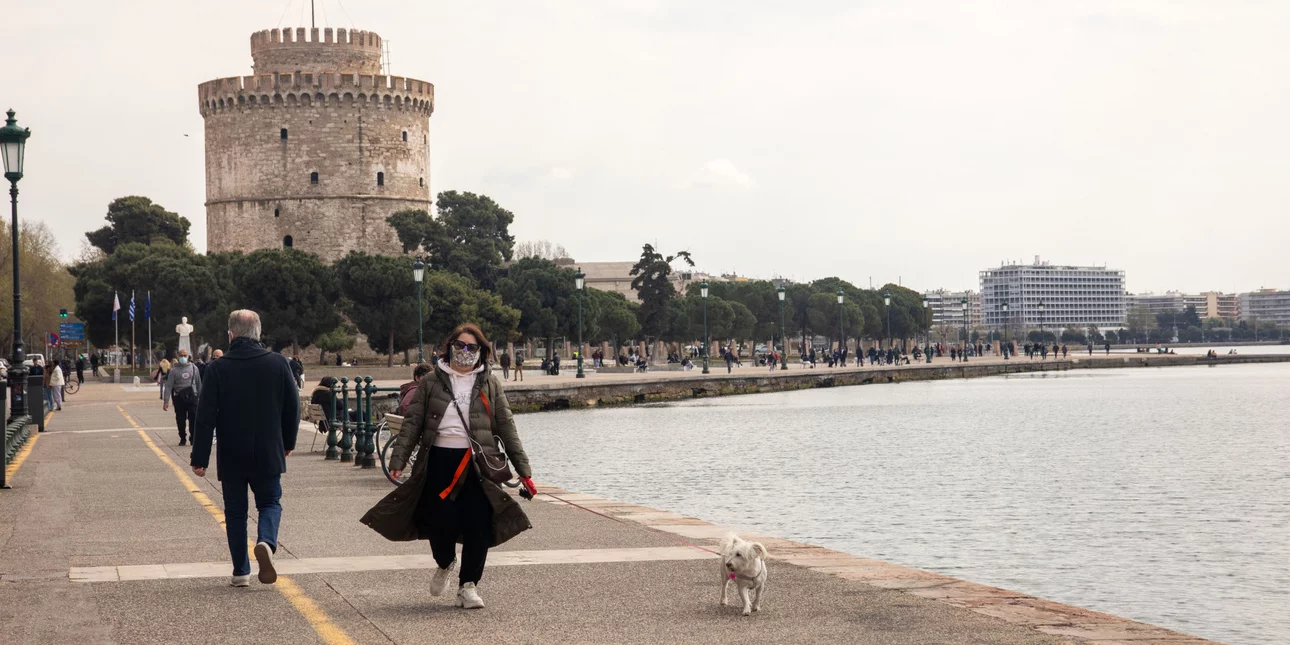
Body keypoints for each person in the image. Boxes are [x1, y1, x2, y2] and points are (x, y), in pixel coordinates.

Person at [362, 323, 536, 610]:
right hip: (440, 461)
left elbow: (507, 427)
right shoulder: (432, 381)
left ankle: (468, 586)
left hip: (478, 465)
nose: (465, 352)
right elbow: (413, 424)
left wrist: (523, 469)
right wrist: (398, 459)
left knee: (478, 525)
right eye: (460, 346)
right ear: (449, 347)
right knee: (439, 523)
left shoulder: (490, 383)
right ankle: (445, 562)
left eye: (472, 348)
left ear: (481, 352)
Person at [190, 310, 300, 588]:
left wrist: (200, 457)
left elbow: (205, 417)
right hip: (268, 450)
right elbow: (293, 408)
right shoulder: (278, 363)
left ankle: (241, 571)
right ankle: (265, 541)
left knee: (235, 513)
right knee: (270, 503)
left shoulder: (217, 368)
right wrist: (288, 442)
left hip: (232, 452)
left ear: (231, 335)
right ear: (259, 333)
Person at [162, 349, 202, 446]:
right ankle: (182, 437)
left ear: (188, 356)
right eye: (181, 355)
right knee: (180, 419)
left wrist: (201, 398)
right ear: (178, 356)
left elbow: (198, 383)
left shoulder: (194, 368)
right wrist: (166, 401)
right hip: (179, 398)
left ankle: (193, 437)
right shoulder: (173, 371)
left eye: (185, 355)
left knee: (193, 417)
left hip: (192, 397)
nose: (183, 357)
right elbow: (168, 386)